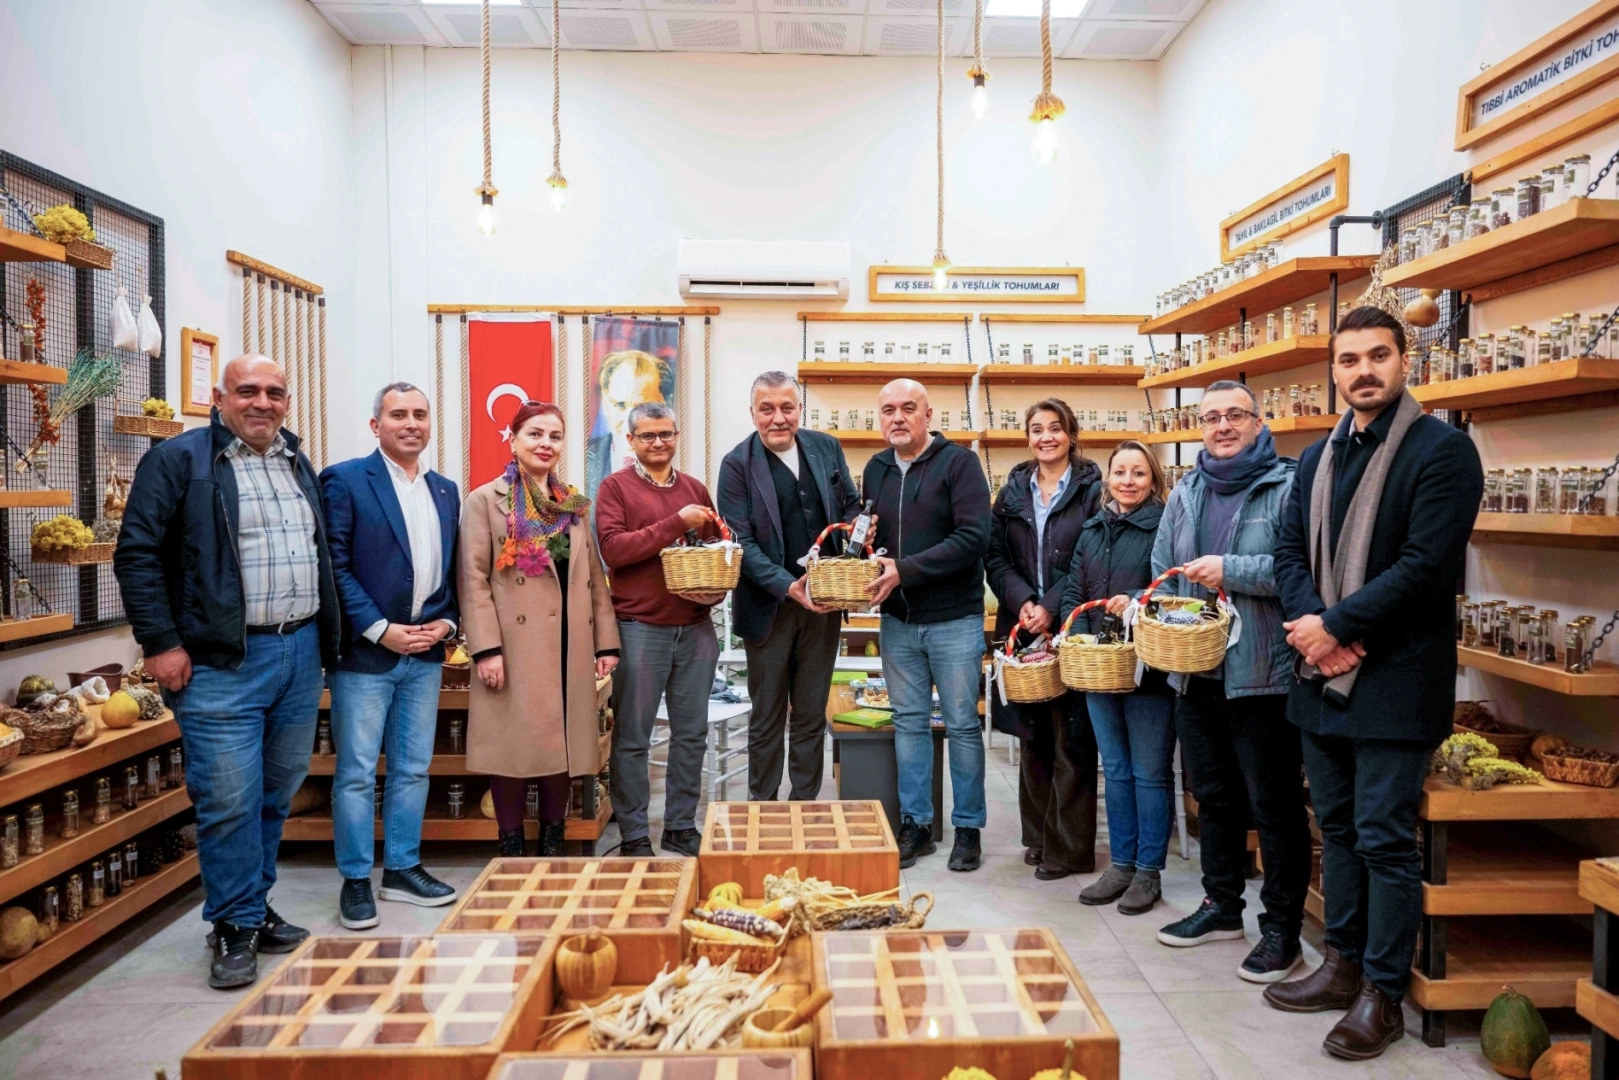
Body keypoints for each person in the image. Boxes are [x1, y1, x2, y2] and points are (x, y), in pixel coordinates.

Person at [1268, 306, 1483, 1060]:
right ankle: (1341, 964)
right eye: (1349, 358)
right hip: (1320, 680)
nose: (1363, 370)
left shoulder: (1443, 451)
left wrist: (1335, 626)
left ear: (1404, 361)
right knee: (1337, 831)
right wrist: (1313, 629)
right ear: (1333, 370)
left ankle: (1382, 994)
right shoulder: (1315, 458)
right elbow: (1287, 550)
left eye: (1377, 355)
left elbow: (1426, 567)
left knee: (1385, 839)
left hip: (1397, 680)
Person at [114, 354, 340, 990]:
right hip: (220, 662)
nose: (262, 402)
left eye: (274, 392)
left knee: (274, 793)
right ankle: (234, 924)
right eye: (247, 391)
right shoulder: (179, 460)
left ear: (287, 401)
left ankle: (253, 905)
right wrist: (161, 642)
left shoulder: (296, 461)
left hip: (298, 655)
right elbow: (136, 554)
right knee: (228, 799)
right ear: (219, 398)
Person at [1150, 379, 1313, 984]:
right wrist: (1167, 618)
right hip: (1197, 671)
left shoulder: (1288, 484)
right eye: (1212, 417)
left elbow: (1301, 569)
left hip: (1263, 674)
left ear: (1258, 421)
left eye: (1235, 415)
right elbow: (1163, 568)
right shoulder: (1187, 490)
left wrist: (1230, 570)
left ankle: (1282, 930)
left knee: (1274, 805)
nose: (1222, 426)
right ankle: (1221, 907)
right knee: (1213, 798)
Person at [321, 383, 461, 930]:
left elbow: (449, 571)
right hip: (365, 655)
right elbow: (334, 566)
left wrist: (447, 623)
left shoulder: (445, 490)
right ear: (376, 425)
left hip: (425, 653)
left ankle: (402, 868)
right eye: (398, 414)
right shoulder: (345, 481)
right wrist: (380, 630)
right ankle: (356, 879)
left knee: (413, 769)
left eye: (420, 414)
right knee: (357, 772)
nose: (411, 423)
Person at [460, 401, 619, 857]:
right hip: (514, 647)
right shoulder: (485, 501)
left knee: (562, 748)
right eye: (534, 434)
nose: (545, 444)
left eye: (554, 436)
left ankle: (553, 842)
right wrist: (486, 649)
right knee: (512, 750)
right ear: (513, 440)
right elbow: (472, 580)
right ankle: (511, 847)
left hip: (569, 642)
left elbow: (593, 577)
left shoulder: (572, 504)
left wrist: (605, 643)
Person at [863, 379, 991, 871]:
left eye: (908, 408)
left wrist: (904, 570)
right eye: (888, 410)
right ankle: (916, 825)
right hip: (898, 620)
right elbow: (870, 536)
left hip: (955, 619)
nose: (897, 417)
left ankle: (968, 828)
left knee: (961, 725)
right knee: (909, 723)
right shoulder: (876, 469)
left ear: (928, 415)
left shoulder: (960, 464)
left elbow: (973, 537)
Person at [717, 372, 861, 802]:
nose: (778, 418)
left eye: (787, 407)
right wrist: (787, 585)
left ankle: (804, 805)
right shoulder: (736, 465)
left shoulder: (826, 447)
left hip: (825, 605)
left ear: (800, 409)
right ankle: (762, 807)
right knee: (766, 717)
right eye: (767, 409)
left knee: (811, 713)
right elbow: (740, 542)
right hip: (768, 610)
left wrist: (858, 525)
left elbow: (850, 504)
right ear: (753, 413)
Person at [595, 402, 723, 857]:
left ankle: (680, 827)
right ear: (630, 440)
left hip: (696, 628)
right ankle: (633, 834)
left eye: (665, 433)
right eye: (647, 435)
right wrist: (676, 523)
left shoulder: (694, 488)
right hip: (639, 629)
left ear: (676, 435)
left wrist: (715, 592)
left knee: (692, 735)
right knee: (633, 738)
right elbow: (613, 550)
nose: (658, 442)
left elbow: (715, 550)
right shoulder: (615, 488)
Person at [984, 399, 1101, 881]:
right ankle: (1038, 836)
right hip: (1022, 625)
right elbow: (994, 556)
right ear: (1027, 437)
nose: (1046, 437)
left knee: (1072, 738)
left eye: (1055, 428)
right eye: (1037, 429)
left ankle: (1069, 849)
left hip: (1072, 624)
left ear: (1071, 434)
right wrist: (1025, 603)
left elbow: (1092, 555)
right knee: (1032, 735)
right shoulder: (1012, 492)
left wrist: (1051, 606)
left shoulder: (1093, 490)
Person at [1062, 441, 1174, 914]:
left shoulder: (1165, 525)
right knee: (1117, 770)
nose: (1128, 481)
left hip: (1148, 670)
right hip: (1101, 670)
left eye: (1139, 473)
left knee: (1150, 773)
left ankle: (1149, 872)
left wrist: (1136, 598)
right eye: (1120, 472)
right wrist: (1079, 639)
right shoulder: (1092, 529)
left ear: (1153, 480)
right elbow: (1074, 591)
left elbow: (1171, 585)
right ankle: (1122, 865)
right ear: (1107, 478)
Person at [586, 350, 670, 500]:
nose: (629, 421)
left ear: (664, 405)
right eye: (620, 405)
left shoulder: (684, 463)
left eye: (642, 408)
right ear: (605, 404)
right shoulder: (583, 462)